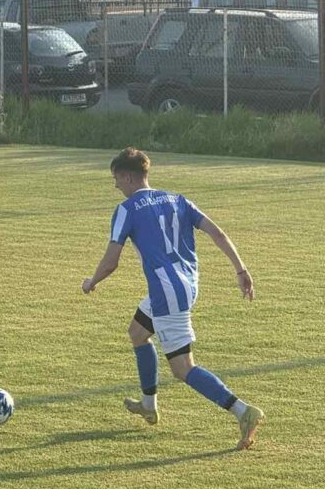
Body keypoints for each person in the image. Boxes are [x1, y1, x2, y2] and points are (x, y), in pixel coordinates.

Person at [81, 147, 263, 451]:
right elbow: (217, 233)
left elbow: (111, 262)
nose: (115, 185)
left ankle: (243, 411)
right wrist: (241, 269)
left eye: (116, 179)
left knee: (182, 368)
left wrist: (91, 282)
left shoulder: (126, 209)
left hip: (167, 293)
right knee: (137, 333)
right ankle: (148, 404)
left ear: (128, 177)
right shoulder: (178, 199)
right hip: (186, 286)